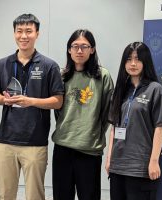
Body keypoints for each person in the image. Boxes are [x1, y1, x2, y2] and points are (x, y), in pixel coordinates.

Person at [0, 13, 64, 200]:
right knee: (5, 194)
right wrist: (4, 100)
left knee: (34, 195)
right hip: (5, 140)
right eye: (19, 31)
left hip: (35, 141)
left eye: (28, 31)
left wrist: (32, 101)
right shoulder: (3, 64)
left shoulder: (49, 66)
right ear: (14, 33)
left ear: (37, 34)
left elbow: (58, 100)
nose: (23, 36)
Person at [52, 29, 114, 200]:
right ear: (69, 49)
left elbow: (108, 110)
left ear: (92, 49)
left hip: (89, 149)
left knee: (89, 196)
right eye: (75, 46)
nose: (79, 51)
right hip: (63, 146)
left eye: (84, 46)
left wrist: (93, 131)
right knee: (61, 195)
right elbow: (58, 110)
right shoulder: (62, 76)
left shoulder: (103, 76)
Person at [105, 42, 162, 200]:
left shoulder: (155, 89)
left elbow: (160, 128)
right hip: (118, 168)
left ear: (145, 61)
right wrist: (109, 159)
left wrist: (154, 161)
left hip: (141, 169)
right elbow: (114, 127)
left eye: (137, 59)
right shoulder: (120, 90)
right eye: (128, 59)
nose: (133, 63)